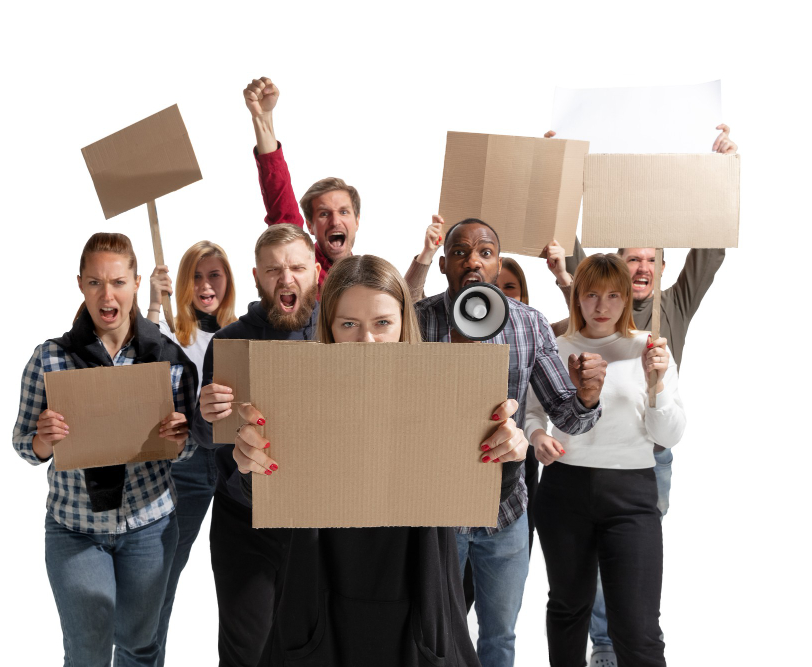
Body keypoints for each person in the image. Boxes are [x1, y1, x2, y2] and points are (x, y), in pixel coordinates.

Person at [229, 254, 531, 665]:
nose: (367, 340)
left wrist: (508, 456)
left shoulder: (443, 394)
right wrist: (251, 462)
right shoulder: (298, 396)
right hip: (322, 613)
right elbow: (269, 495)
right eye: (349, 324)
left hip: (419, 615)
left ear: (405, 325)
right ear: (330, 329)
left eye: (382, 323)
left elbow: (488, 498)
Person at [544, 123, 736, 666]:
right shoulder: (599, 307)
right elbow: (577, 264)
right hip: (586, 456)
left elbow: (712, 246)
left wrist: (722, 170)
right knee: (584, 572)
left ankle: (614, 646)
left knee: (628, 566)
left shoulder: (677, 306)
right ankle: (604, 650)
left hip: (651, 451)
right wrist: (559, 170)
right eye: (632, 259)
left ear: (662, 268)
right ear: (616, 272)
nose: (642, 267)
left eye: (651, 259)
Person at [414, 217, 606, 667]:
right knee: (434, 635)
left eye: (484, 252)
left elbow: (568, 417)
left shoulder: (528, 325)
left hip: (506, 514)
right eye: (460, 252)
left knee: (498, 638)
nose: (472, 261)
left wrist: (587, 396)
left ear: (499, 263)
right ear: (445, 265)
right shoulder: (418, 323)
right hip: (437, 514)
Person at [12, 232, 194, 666]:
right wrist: (43, 439)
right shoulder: (51, 359)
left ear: (135, 284)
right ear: (80, 285)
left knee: (139, 642)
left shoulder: (165, 359)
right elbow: (23, 444)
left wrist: (180, 440)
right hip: (75, 528)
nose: (106, 293)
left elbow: (187, 451)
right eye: (94, 282)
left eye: (116, 282)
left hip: (148, 525)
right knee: (88, 649)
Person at [526, 253, 686, 667]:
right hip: (565, 491)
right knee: (568, 607)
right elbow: (531, 413)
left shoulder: (649, 349)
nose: (602, 306)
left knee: (637, 627)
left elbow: (668, 435)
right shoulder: (557, 348)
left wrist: (658, 387)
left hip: (631, 494)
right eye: (592, 295)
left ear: (626, 299)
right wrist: (538, 436)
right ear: (577, 297)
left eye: (614, 295)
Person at [190, 224, 321, 667]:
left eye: (297, 268)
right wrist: (206, 415)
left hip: (318, 523)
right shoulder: (229, 343)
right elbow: (207, 439)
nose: (286, 278)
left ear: (316, 272)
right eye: (274, 270)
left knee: (313, 646)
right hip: (244, 523)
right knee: (248, 651)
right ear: (257, 276)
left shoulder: (341, 336)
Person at [242, 76, 430, 298]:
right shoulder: (304, 271)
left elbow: (407, 310)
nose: (335, 221)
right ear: (310, 226)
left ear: (357, 220)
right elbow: (281, 203)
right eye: (323, 214)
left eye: (343, 211)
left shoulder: (371, 278)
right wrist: (263, 118)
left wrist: (427, 255)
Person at [147, 241, 238, 664]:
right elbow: (136, 360)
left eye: (214, 275)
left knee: (244, 577)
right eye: (196, 276)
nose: (205, 285)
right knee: (161, 577)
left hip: (237, 462)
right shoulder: (169, 332)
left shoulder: (241, 334)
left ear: (229, 281)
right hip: (187, 465)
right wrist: (153, 302)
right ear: (183, 284)